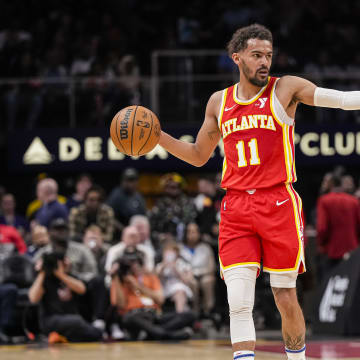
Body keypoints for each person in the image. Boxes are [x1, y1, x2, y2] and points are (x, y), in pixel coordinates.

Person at [156, 23, 360, 360]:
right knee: (238, 299)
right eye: (256, 55)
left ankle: (297, 358)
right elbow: (197, 155)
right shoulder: (218, 102)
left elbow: (340, 101)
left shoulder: (286, 89)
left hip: (277, 201)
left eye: (268, 55)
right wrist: (160, 137)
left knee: (284, 296)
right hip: (235, 205)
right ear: (237, 58)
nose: (264, 61)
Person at [110, 247, 195, 341]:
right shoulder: (119, 280)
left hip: (153, 315)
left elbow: (160, 300)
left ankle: (151, 334)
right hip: (134, 315)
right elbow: (121, 305)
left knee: (189, 315)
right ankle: (165, 335)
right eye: (130, 263)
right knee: (130, 317)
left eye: (136, 261)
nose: (134, 265)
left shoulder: (150, 277)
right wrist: (116, 278)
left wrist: (138, 286)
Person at [316, 174, 360, 280]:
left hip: (331, 251)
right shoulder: (354, 201)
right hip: (352, 250)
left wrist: (321, 245)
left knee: (330, 285)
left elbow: (322, 228)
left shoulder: (324, 200)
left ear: (331, 184)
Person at [180, 222, 216, 316]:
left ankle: (208, 310)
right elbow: (178, 266)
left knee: (207, 281)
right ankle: (195, 311)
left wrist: (198, 273)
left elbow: (211, 267)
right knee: (193, 283)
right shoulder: (180, 249)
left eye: (194, 232)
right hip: (187, 277)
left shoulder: (206, 248)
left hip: (204, 275)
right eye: (189, 232)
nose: (192, 235)